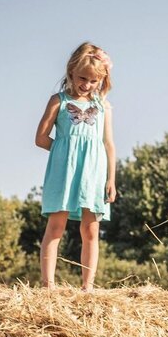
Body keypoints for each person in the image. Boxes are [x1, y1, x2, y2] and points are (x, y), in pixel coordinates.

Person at [35, 42, 116, 292]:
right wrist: (65, 154)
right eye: (82, 78)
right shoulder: (57, 101)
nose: (87, 85)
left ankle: (88, 287)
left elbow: (109, 144)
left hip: (94, 173)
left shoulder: (103, 107)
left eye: (94, 81)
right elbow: (40, 138)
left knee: (91, 229)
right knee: (56, 226)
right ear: (71, 72)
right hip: (63, 173)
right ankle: (49, 286)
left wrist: (111, 179)